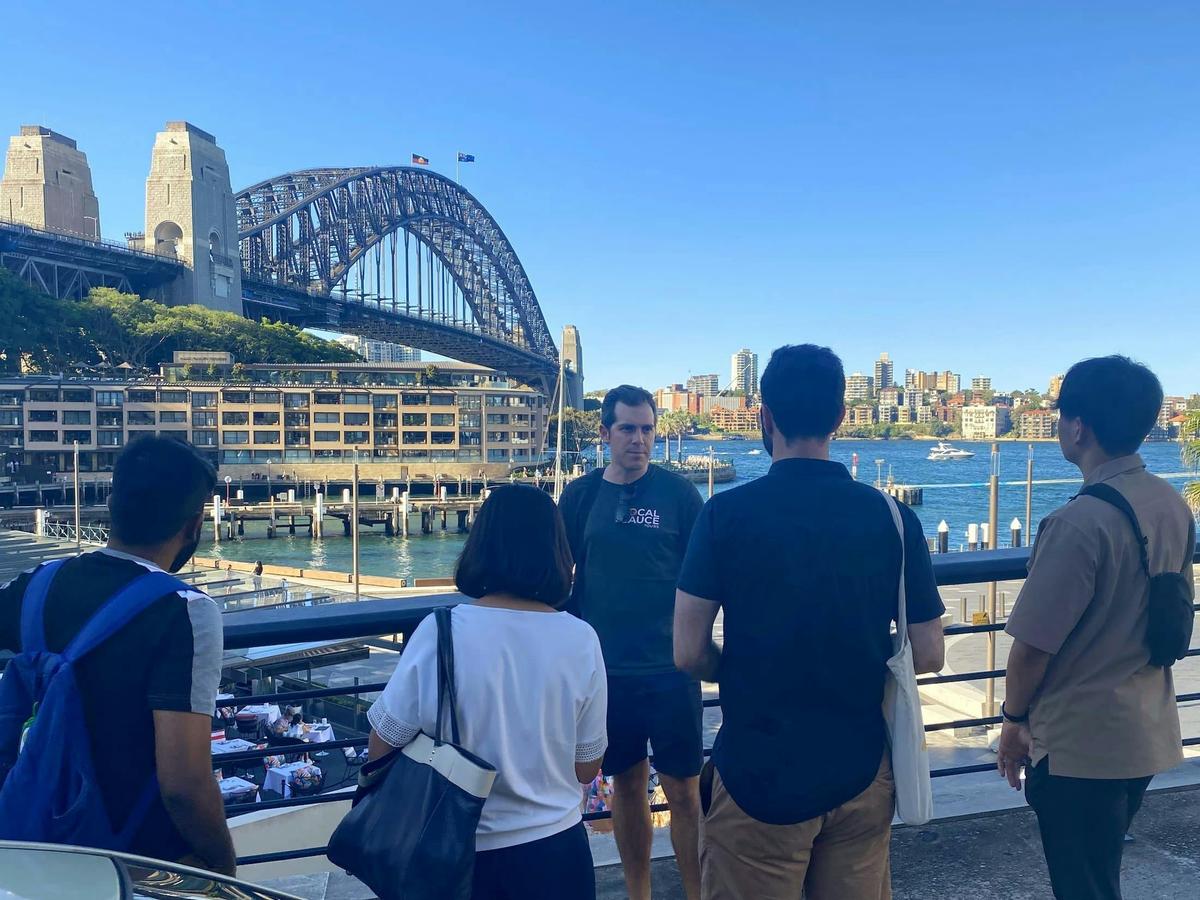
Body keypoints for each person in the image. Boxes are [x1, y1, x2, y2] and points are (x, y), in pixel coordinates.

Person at [673, 344, 946, 900]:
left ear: (764, 416)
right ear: (841, 418)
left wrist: (735, 665)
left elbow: (687, 650)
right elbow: (932, 653)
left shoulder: (723, 514)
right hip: (861, 770)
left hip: (758, 774)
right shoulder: (894, 519)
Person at [997, 356, 1192, 900]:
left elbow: (1032, 647)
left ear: (1078, 427)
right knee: (1099, 873)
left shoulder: (1078, 522)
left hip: (1078, 744)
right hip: (1144, 732)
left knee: (1082, 884)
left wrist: (1013, 722)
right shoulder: (1172, 504)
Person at [0, 435, 235, 874]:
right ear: (194, 525)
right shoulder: (185, 611)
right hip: (133, 858)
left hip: (31, 839)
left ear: (111, 506)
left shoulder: (33, 585)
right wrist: (221, 869)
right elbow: (183, 784)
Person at [366, 485, 607, 900]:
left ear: (480, 546)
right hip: (557, 853)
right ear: (557, 550)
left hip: (457, 855)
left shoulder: (440, 632)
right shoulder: (581, 639)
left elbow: (381, 745)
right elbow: (587, 767)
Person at [559, 384, 705, 900]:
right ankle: (637, 891)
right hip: (606, 674)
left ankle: (695, 892)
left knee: (685, 792)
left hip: (671, 670)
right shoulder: (579, 496)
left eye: (647, 429)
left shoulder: (681, 496)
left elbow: (703, 579)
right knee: (625, 785)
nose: (639, 439)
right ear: (604, 433)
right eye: (628, 428)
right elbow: (562, 579)